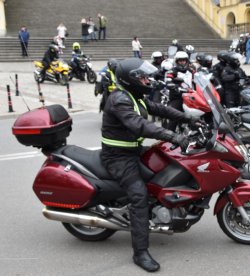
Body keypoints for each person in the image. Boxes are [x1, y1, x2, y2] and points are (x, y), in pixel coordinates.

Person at [100, 58, 200, 272]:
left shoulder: (136, 97)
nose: (147, 80)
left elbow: (161, 109)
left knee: (170, 165)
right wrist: (173, 136)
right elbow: (139, 125)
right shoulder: (119, 99)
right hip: (118, 157)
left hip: (132, 151)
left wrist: (188, 119)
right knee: (138, 196)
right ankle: (140, 253)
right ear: (130, 80)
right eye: (142, 77)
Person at [166, 51, 194, 132]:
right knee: (174, 115)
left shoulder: (191, 71)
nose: (182, 62)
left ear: (187, 61)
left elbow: (198, 79)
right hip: (177, 97)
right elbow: (168, 81)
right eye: (180, 60)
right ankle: (169, 135)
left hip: (191, 96)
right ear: (177, 61)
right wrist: (174, 86)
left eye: (184, 60)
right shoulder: (172, 71)